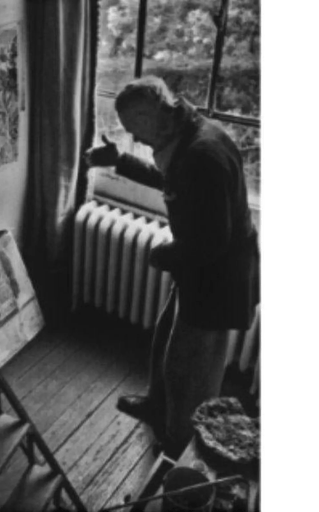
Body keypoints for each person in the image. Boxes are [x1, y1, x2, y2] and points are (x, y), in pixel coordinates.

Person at [84, 75, 260, 457]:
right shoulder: (185, 136)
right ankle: (157, 405)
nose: (134, 136)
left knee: (190, 370)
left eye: (134, 128)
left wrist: (164, 255)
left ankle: (178, 446)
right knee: (166, 338)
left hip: (217, 280)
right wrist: (119, 161)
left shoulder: (202, 155)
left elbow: (213, 242)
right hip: (198, 268)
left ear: (152, 114)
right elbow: (171, 182)